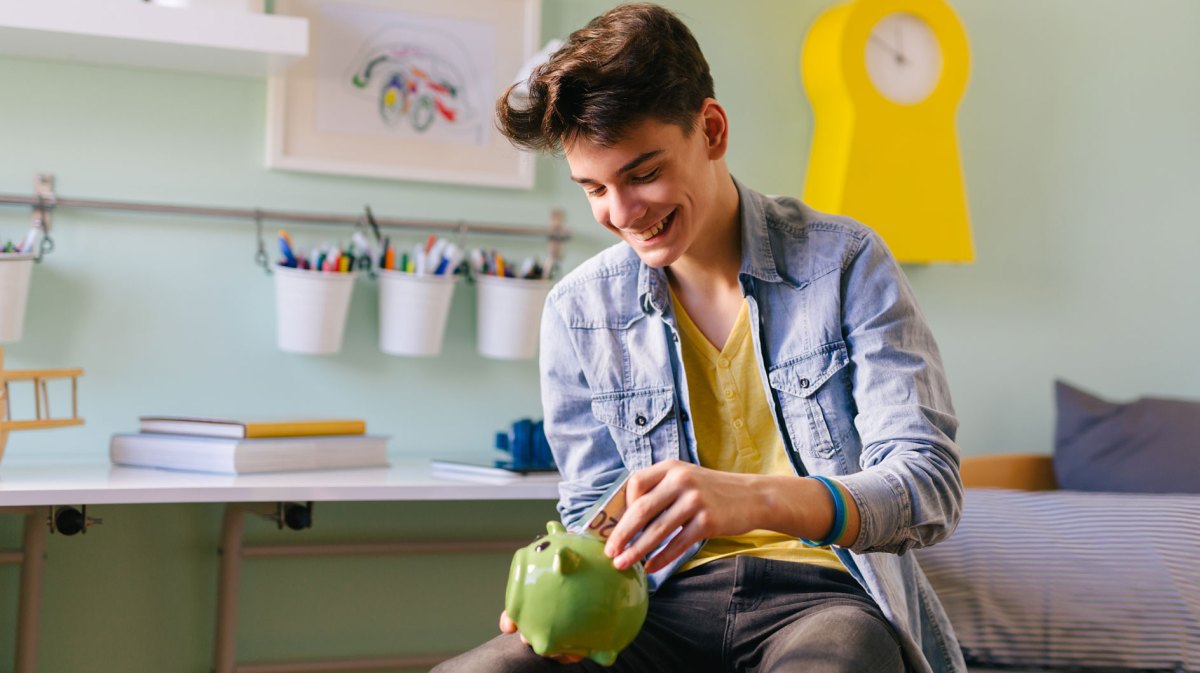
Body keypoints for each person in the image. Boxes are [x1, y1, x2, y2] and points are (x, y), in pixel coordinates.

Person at [433, 3, 965, 672]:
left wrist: (754, 499)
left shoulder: (846, 264)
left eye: (642, 173)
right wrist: (565, 582)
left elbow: (929, 485)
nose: (620, 213)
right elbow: (591, 509)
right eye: (594, 188)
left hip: (827, 602)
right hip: (651, 608)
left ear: (711, 130)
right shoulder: (578, 309)